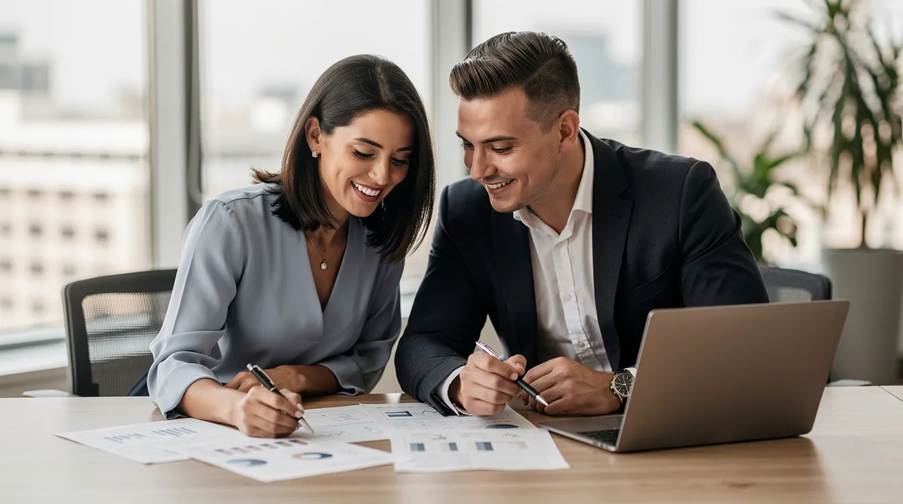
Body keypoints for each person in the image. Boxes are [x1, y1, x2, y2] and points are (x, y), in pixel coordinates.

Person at [395, 31, 768, 418]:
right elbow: (424, 343)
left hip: (668, 433)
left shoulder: (679, 193)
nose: (477, 170)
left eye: (501, 148)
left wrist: (621, 386)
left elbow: (743, 345)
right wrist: (459, 382)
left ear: (565, 130)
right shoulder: (467, 211)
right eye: (467, 146)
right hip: (546, 442)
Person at [148, 55, 434, 437]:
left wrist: (295, 377)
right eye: (363, 153)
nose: (383, 176)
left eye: (400, 160)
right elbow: (173, 365)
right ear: (316, 135)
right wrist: (238, 409)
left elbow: (368, 360)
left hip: (318, 432)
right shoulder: (230, 222)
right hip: (215, 428)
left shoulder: (380, 240)